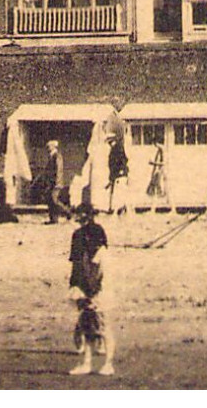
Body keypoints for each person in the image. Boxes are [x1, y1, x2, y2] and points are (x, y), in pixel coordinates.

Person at [67, 204, 115, 375]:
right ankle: (87, 363)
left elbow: (100, 276)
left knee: (103, 326)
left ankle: (108, 363)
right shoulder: (82, 241)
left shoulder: (101, 254)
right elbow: (80, 267)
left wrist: (92, 294)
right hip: (89, 288)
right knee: (87, 324)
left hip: (100, 292)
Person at [36, 140, 63, 223]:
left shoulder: (57, 156)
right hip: (50, 183)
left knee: (54, 200)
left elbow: (59, 170)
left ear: (54, 147)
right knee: (50, 201)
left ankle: (67, 211)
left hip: (55, 183)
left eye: (49, 146)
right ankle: (53, 219)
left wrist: (57, 182)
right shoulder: (51, 156)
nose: (48, 148)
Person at [106, 130, 130, 214]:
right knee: (118, 192)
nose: (110, 144)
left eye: (110, 142)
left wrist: (121, 171)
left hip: (120, 174)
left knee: (120, 193)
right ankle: (121, 209)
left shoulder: (118, 148)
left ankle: (120, 210)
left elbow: (123, 160)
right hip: (116, 175)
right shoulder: (113, 149)